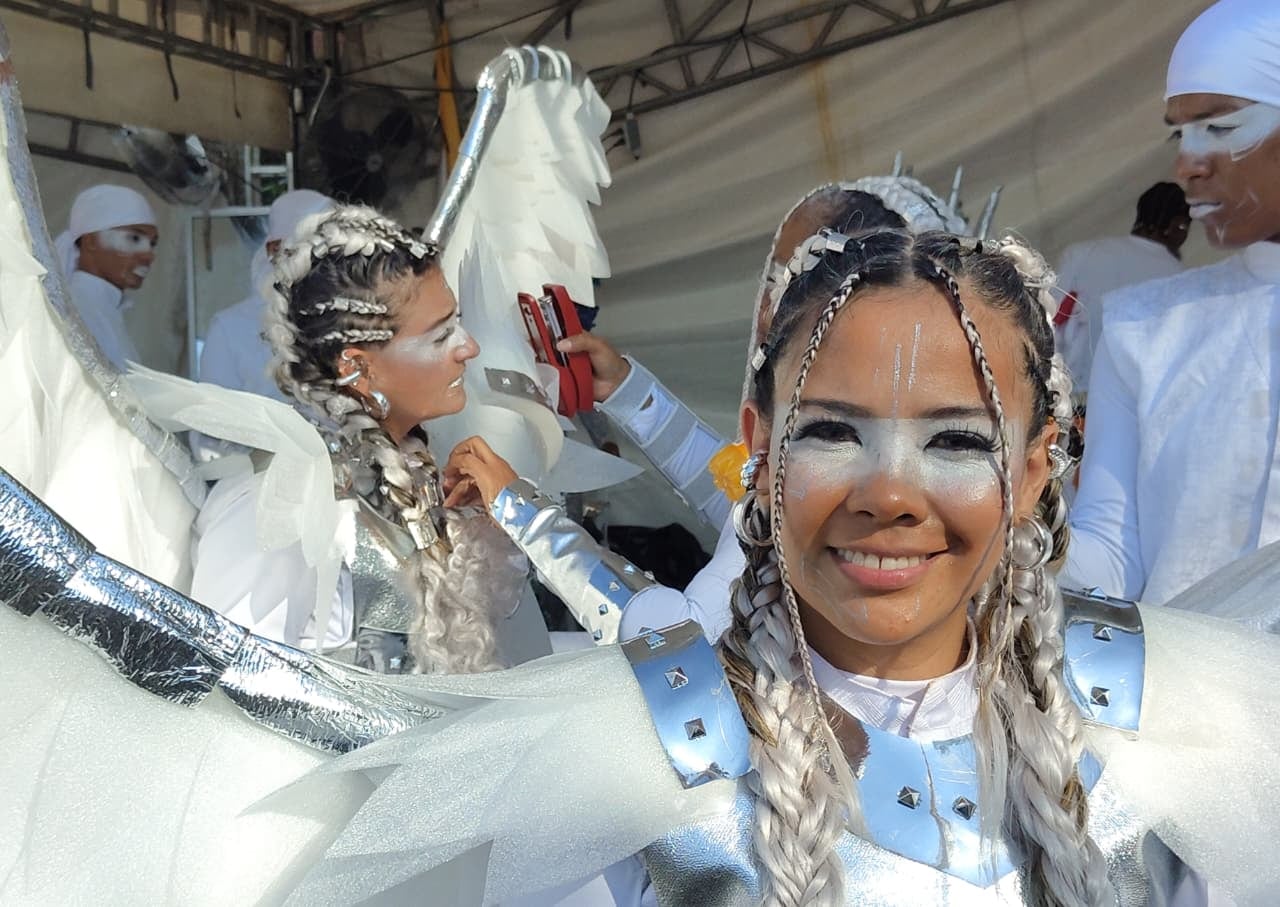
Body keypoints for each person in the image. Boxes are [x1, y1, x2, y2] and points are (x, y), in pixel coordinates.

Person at [6, 227, 1278, 905]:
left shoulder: (1186, 734)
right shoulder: (635, 759)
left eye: (955, 440)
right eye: (832, 430)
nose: (889, 491)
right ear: (763, 447)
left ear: (1041, 459)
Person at [145, 205, 657, 671]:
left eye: (457, 323)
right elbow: (230, 686)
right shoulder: (279, 501)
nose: (469, 346)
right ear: (358, 367)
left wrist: (502, 525)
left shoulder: (430, 476)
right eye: (440, 335)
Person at [556, 176, 969, 642]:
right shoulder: (871, 431)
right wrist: (625, 390)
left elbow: (679, 641)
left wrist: (520, 512)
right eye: (772, 277)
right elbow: (738, 497)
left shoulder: (837, 454)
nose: (772, 302)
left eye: (798, 277)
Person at [1062, 0, 1280, 604]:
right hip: (1189, 693)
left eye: (1221, 127)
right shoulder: (1143, 328)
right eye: (1179, 133)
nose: (1187, 164)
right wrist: (1011, 515)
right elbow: (1111, 561)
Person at [1052, 182, 1189, 398]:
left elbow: (1053, 317)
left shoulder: (1084, 252)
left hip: (1074, 392)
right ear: (1177, 225)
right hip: (1137, 398)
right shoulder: (1178, 274)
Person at [199, 189, 333, 399]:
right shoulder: (229, 329)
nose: (311, 262)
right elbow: (212, 422)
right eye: (296, 249)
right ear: (272, 250)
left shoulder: (356, 322)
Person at [52, 184, 159, 370]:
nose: (148, 254)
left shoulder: (104, 307)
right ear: (90, 241)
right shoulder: (75, 311)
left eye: (152, 243)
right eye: (134, 238)